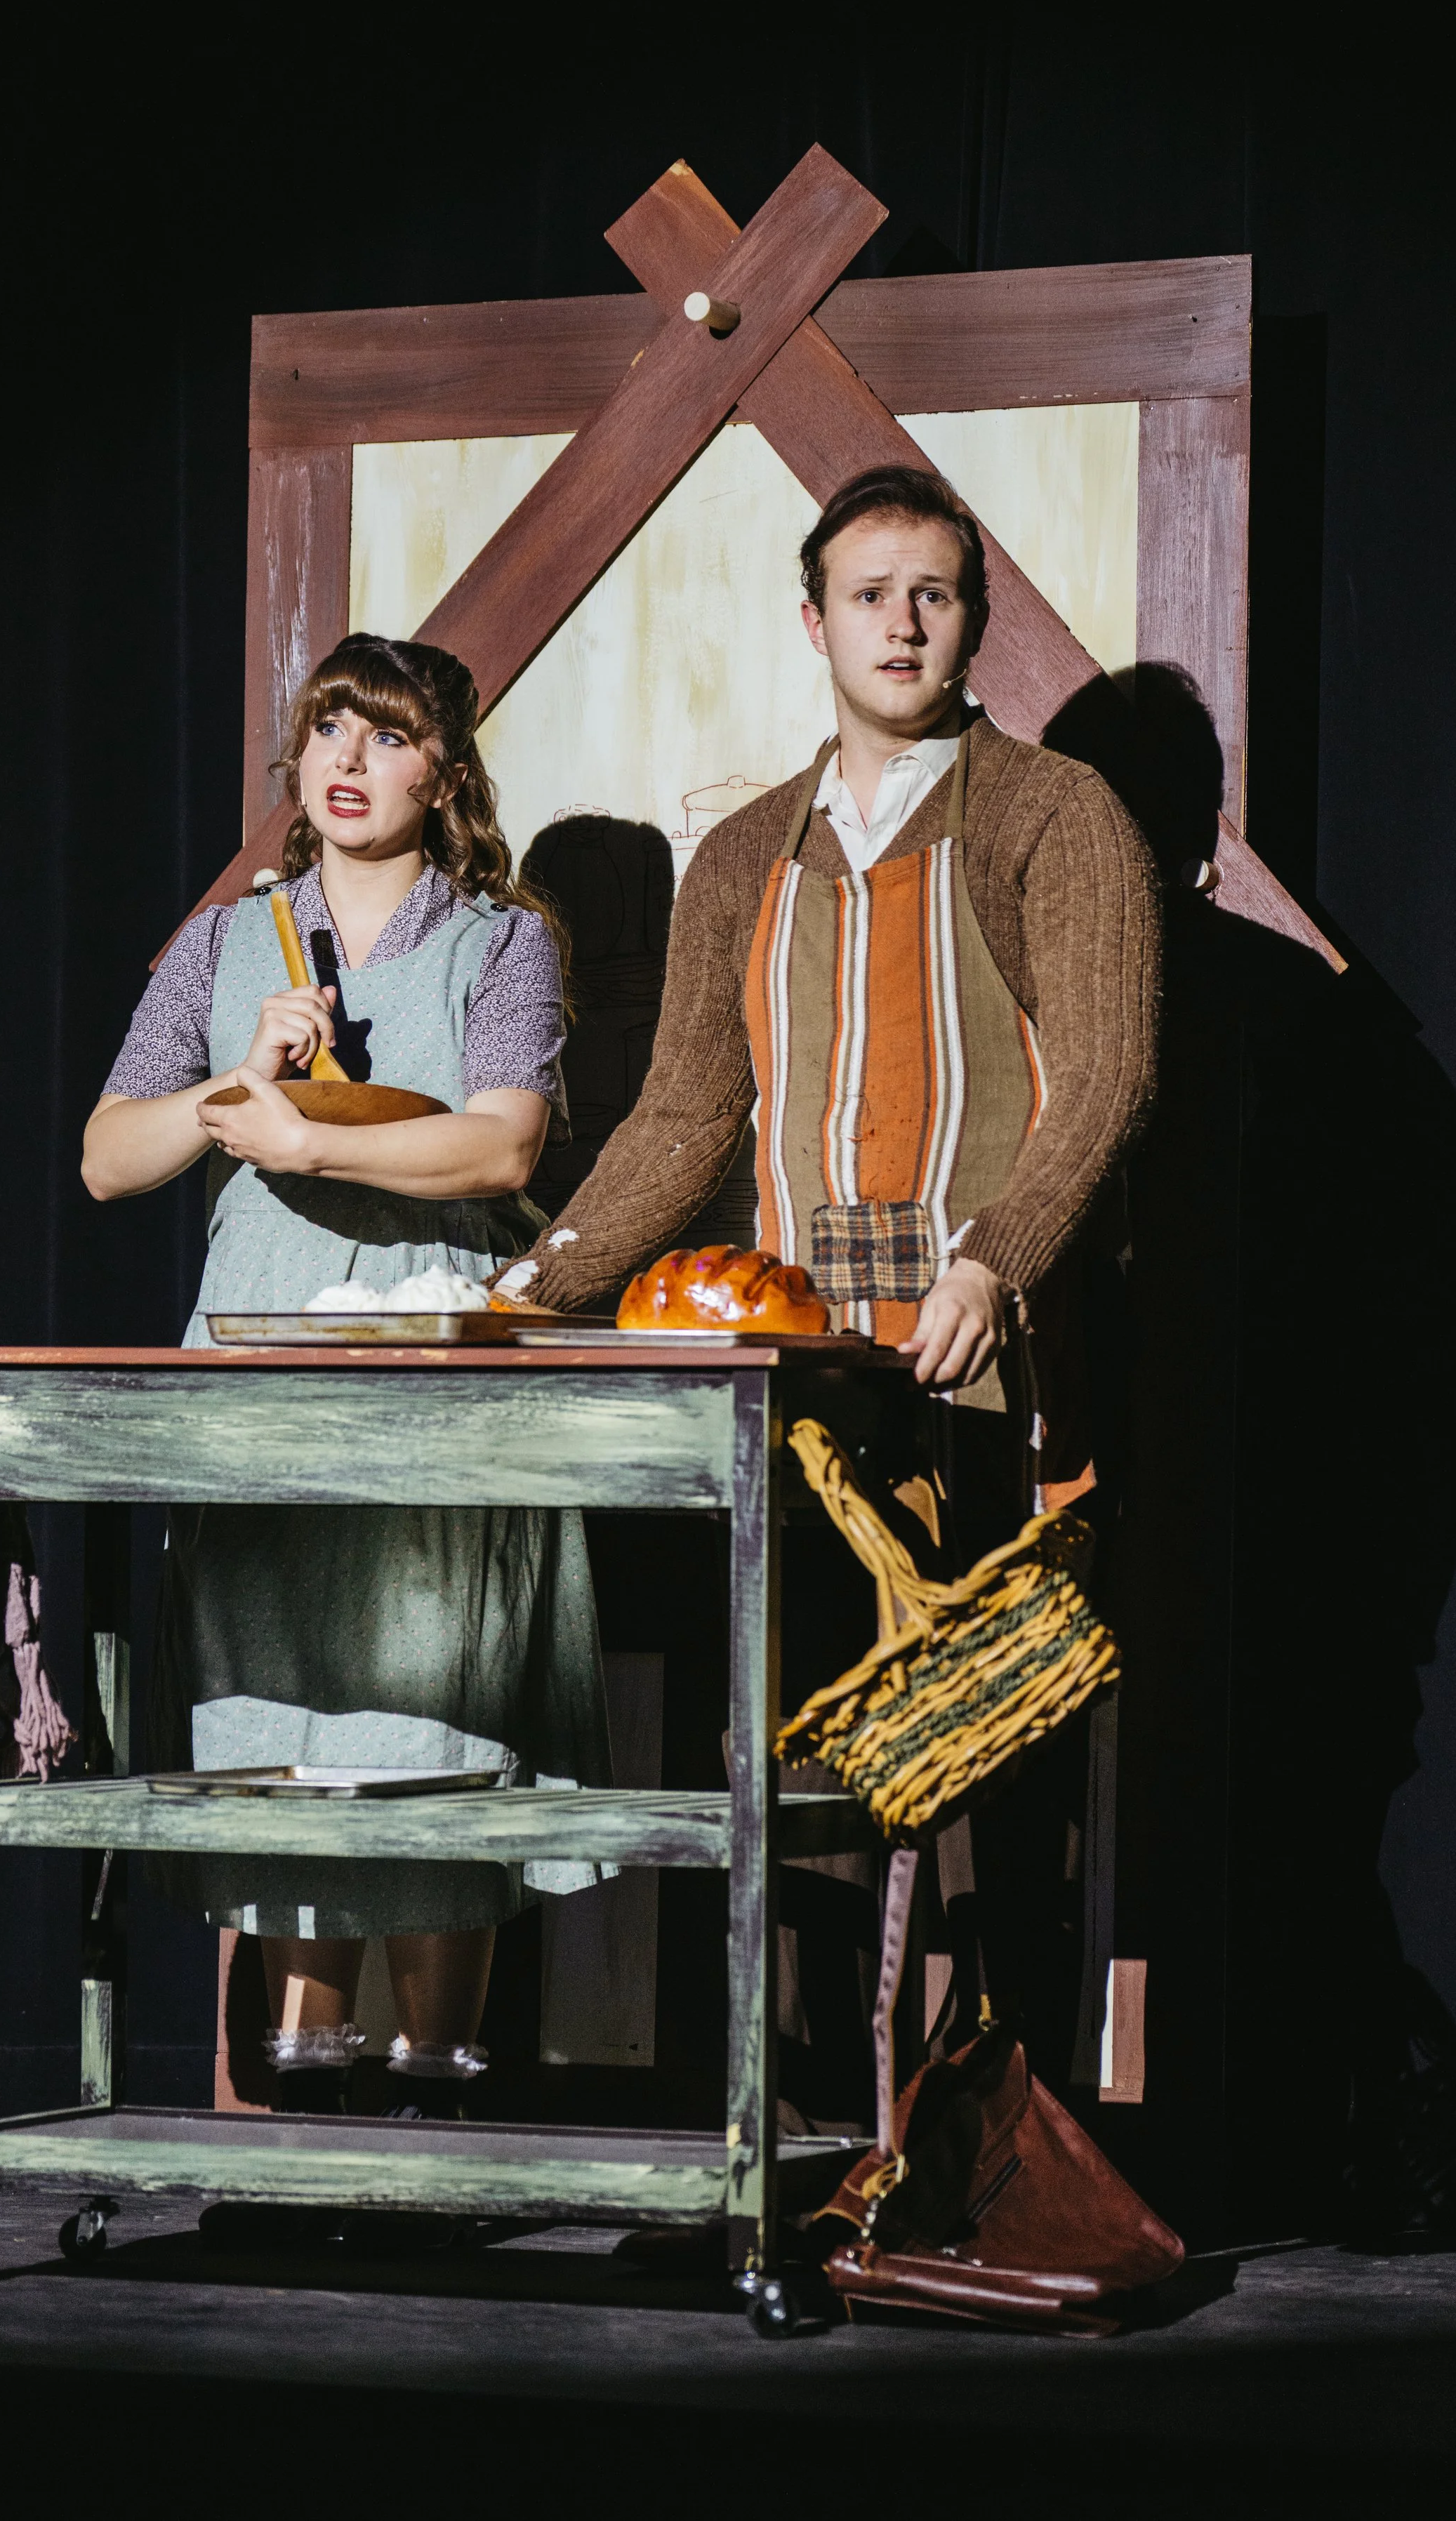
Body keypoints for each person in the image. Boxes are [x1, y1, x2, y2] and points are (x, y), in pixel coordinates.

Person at [496, 464, 1163, 2062]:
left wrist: (995, 1261)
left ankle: (1006, 2144)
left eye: (930, 592)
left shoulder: (1052, 816)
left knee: (1001, 1770)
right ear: (814, 621)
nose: (900, 621)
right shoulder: (741, 856)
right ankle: (792, 2143)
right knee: (799, 1767)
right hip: (796, 1398)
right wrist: (538, 1284)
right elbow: (676, 1121)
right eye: (868, 593)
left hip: (993, 1381)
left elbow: (1108, 1075)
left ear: (971, 620)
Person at [84, 633, 612, 2115]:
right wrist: (227, 1091)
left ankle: (437, 2073)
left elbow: (504, 1143)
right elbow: (108, 1159)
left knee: (431, 1695)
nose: (350, 762)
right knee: (279, 1706)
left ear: (444, 775)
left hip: (428, 1345)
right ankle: (305, 2070)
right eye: (330, 729)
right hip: (257, 1360)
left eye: (387, 738)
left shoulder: (501, 938)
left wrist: (315, 1140)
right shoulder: (228, 936)